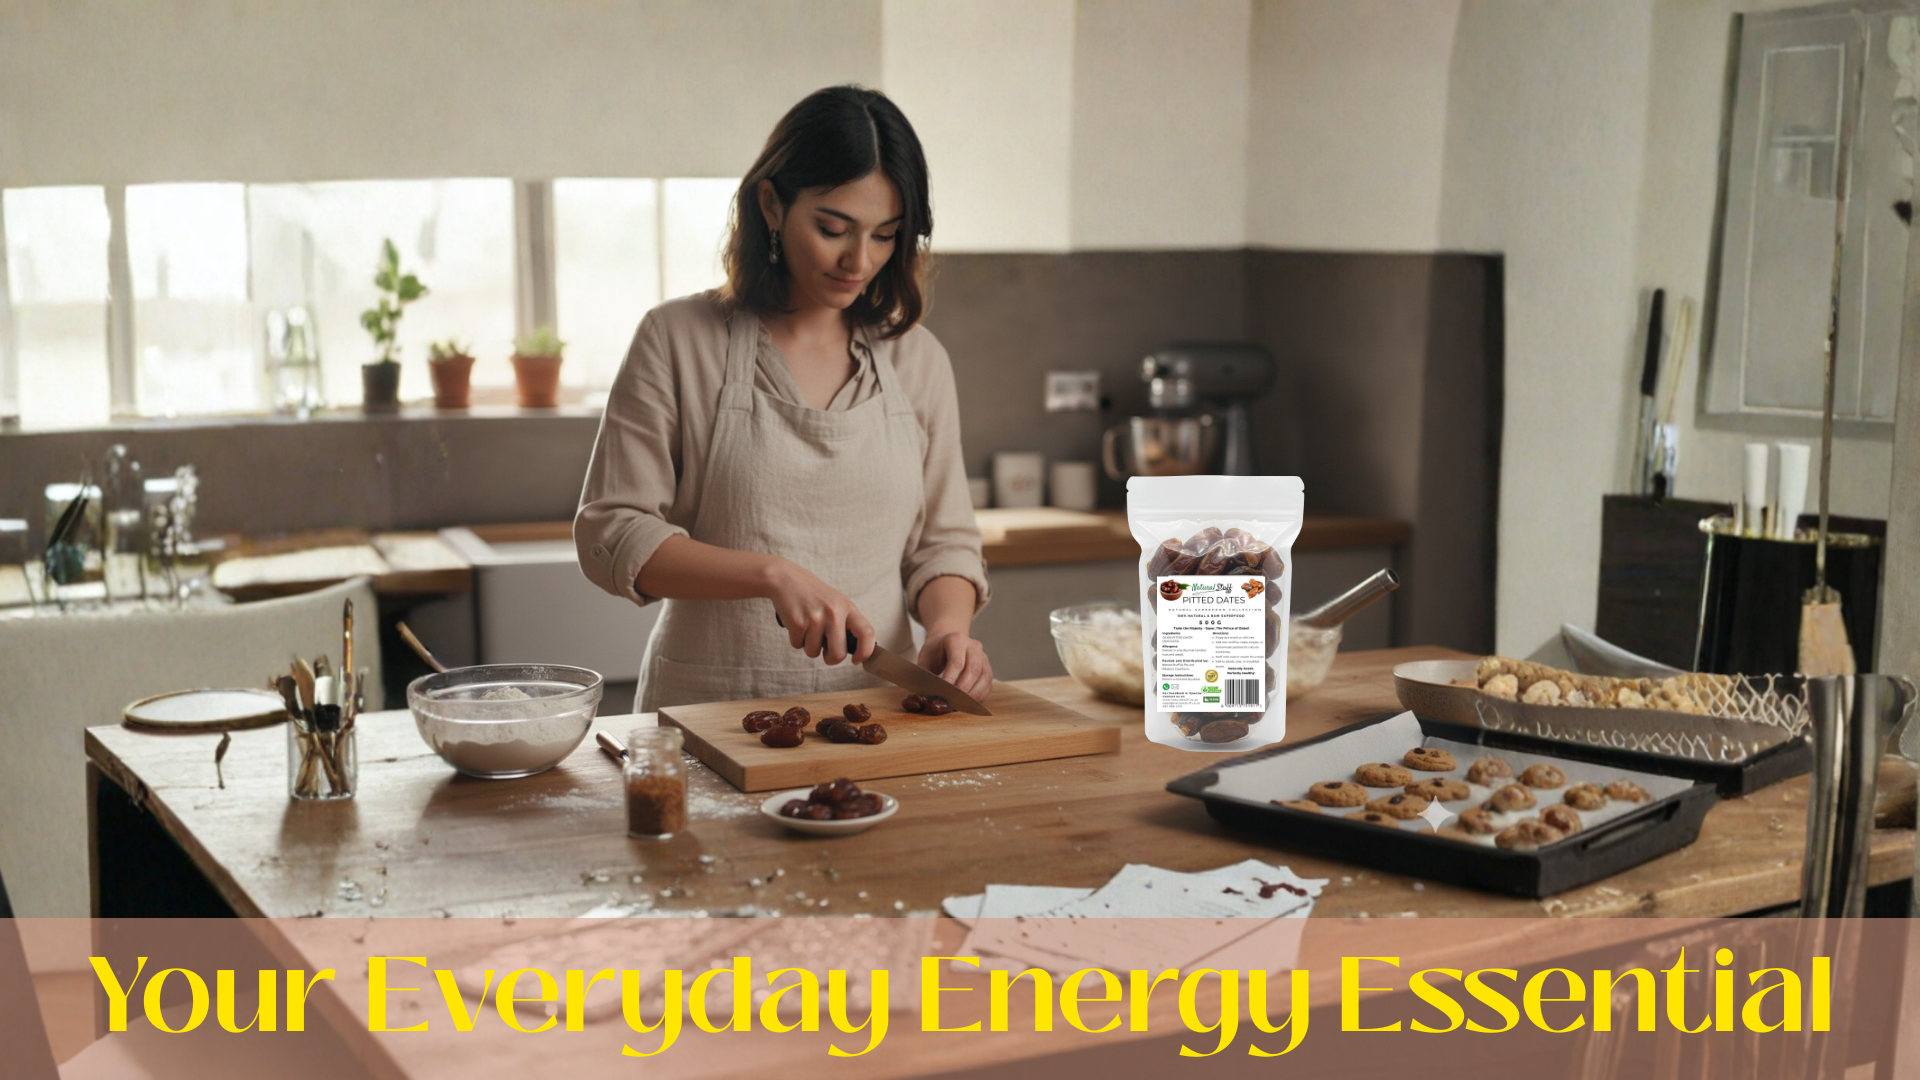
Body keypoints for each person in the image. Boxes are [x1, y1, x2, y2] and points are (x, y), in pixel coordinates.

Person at [575, 85, 992, 711]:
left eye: (885, 236)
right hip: (707, 713)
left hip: (876, 714)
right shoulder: (676, 339)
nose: (859, 260)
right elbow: (611, 530)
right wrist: (772, 574)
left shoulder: (918, 359)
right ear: (771, 204)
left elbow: (945, 543)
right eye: (833, 228)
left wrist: (949, 629)